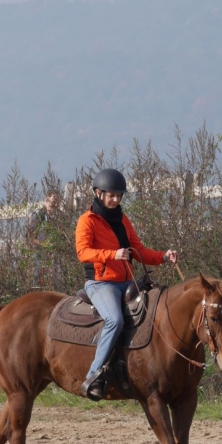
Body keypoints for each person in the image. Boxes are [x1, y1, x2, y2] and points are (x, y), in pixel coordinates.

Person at [75, 168, 178, 401]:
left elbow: (138, 251)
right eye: (110, 195)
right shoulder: (87, 220)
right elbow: (83, 253)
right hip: (101, 284)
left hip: (127, 282)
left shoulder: (122, 219)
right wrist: (113, 255)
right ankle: (93, 375)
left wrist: (162, 256)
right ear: (98, 194)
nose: (115, 200)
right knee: (115, 320)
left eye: (118, 196)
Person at [26, 189, 62, 289]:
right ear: (47, 200)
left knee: (58, 273)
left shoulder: (59, 215)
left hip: (56, 249)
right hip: (40, 250)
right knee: (38, 271)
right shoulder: (38, 215)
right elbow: (30, 236)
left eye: (56, 202)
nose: (54, 205)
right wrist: (41, 243)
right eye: (52, 202)